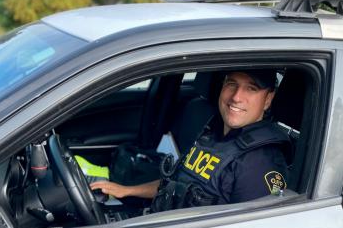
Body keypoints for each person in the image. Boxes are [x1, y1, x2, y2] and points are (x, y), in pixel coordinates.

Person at [90, 70, 292, 211]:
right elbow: (177, 183)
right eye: (232, 84)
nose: (237, 97)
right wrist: (126, 190)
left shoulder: (260, 162)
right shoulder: (212, 133)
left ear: (268, 100)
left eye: (251, 88)